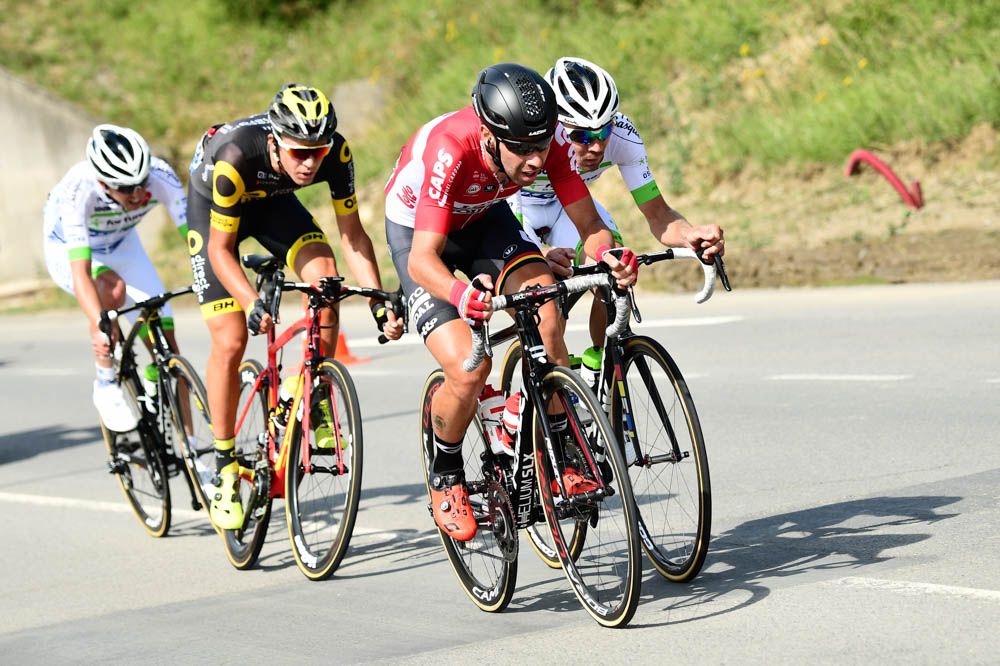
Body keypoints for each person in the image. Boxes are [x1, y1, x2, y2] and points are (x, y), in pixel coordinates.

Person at [384, 62, 637, 542]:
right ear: (488, 136)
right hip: (420, 233)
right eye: (521, 149)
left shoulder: (548, 142)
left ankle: (562, 453)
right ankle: (446, 472)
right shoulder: (451, 149)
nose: (535, 161)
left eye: (541, 146)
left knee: (546, 313)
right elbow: (422, 259)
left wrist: (610, 255)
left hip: (484, 217)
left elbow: (590, 225)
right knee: (469, 367)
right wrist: (461, 294)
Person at [187, 83, 403, 529]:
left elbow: (352, 235)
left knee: (326, 279)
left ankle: (315, 390)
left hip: (272, 204)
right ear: (275, 141)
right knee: (231, 338)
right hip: (215, 208)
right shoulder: (236, 157)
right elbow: (220, 251)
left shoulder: (336, 153)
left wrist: (378, 303)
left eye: (317, 152)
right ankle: (225, 467)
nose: (309, 163)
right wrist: (250, 302)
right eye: (299, 153)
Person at [510, 56, 725, 355]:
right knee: (544, 308)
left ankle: (602, 363)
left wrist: (690, 235)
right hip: (518, 206)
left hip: (569, 208)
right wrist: (537, 256)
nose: (597, 146)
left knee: (614, 270)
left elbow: (658, 214)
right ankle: (548, 376)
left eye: (603, 132)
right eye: (582, 136)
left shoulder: (624, 136)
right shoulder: (532, 140)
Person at [43, 124, 188, 433]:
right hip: (71, 249)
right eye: (125, 188)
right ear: (102, 182)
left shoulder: (161, 175)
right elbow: (81, 272)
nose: (137, 194)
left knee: (169, 350)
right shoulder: (78, 192)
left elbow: (196, 240)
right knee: (111, 289)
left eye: (141, 183)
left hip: (122, 244)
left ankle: (193, 453)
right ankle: (106, 382)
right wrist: (100, 323)